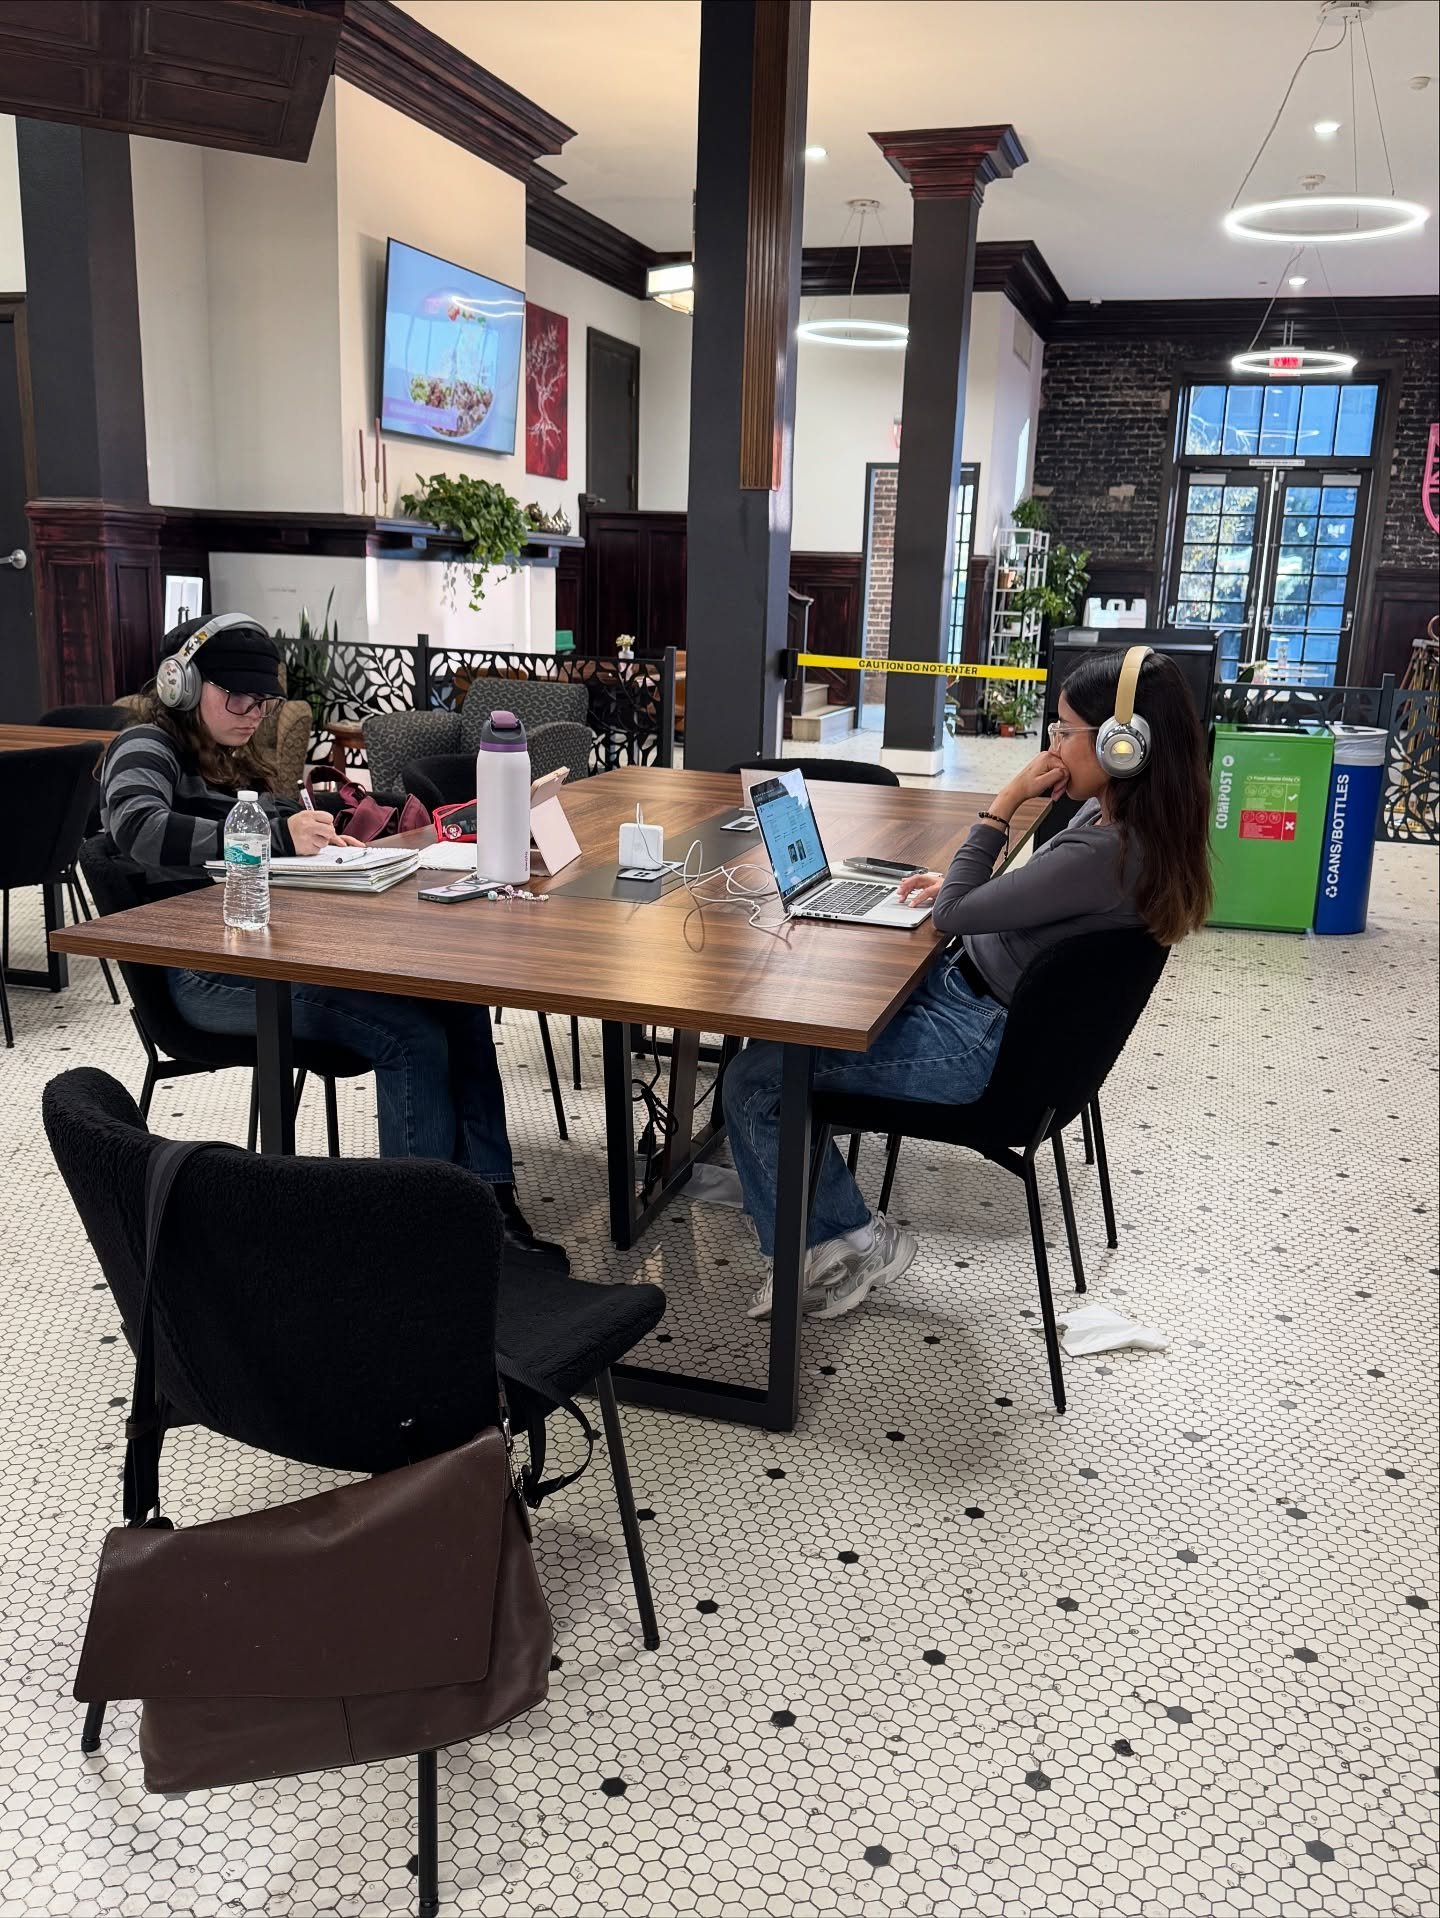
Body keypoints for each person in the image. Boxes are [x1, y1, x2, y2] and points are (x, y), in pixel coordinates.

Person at [723, 646, 1213, 1321]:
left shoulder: (1105, 852)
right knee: (808, 1015)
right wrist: (963, 886)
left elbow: (954, 914)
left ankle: (842, 1244)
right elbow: (1000, 899)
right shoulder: (1121, 823)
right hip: (978, 1003)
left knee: (756, 1080)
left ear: (1122, 745)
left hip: (975, 1042)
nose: (1052, 747)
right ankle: (829, 1221)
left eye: (1064, 732)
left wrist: (1004, 801)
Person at [100, 614, 566, 1272]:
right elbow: (136, 828)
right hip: (202, 972)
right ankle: (418, 1248)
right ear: (181, 683)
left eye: (262, 701)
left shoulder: (221, 750)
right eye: (237, 697)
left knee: (454, 1002)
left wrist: (314, 833)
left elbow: (252, 826)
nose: (252, 713)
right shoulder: (145, 744)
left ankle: (490, 1203)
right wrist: (274, 837)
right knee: (410, 1034)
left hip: (261, 945)